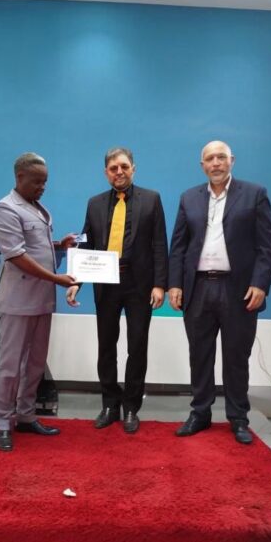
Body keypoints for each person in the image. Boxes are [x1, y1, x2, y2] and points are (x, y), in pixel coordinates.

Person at [168, 140, 271, 444]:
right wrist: (175, 284)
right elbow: (178, 246)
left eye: (221, 157)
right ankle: (200, 413)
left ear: (232, 161)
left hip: (238, 290)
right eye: (209, 159)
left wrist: (260, 283)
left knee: (236, 356)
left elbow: (266, 246)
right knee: (199, 354)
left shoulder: (255, 194)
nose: (215, 163)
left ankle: (238, 417)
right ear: (202, 165)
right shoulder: (188, 198)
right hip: (198, 288)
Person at [66, 147, 168, 434]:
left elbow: (159, 243)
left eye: (124, 166)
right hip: (106, 283)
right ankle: (110, 404)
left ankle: (131, 406)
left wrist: (160, 284)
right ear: (106, 173)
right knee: (106, 345)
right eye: (113, 168)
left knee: (137, 346)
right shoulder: (94, 203)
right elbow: (86, 245)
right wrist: (75, 282)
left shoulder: (152, 199)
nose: (119, 172)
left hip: (140, 285)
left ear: (133, 168)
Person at [0, 152, 77, 452]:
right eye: (37, 182)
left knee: (36, 363)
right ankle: (3, 422)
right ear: (19, 177)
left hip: (41, 300)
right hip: (17, 301)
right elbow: (16, 255)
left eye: (45, 182)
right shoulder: (5, 208)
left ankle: (26, 415)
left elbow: (35, 247)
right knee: (10, 366)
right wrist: (56, 279)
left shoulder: (37, 208)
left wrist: (59, 245)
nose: (43, 187)